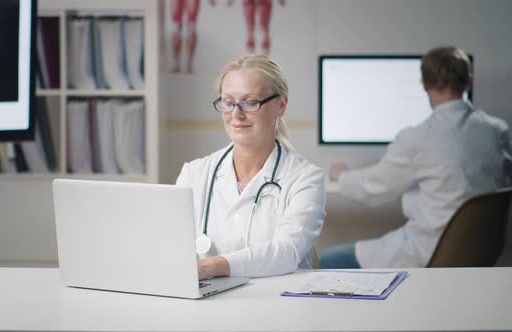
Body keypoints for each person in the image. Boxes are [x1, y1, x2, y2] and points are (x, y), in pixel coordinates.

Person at [320, 46, 512, 269]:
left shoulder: (418, 137)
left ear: (425, 84)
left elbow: (375, 187)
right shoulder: (498, 131)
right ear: (468, 82)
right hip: (481, 255)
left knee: (329, 259)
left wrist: (342, 175)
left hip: (429, 254)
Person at [176, 54, 326, 280]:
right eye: (228, 102)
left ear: (280, 105)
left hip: (281, 306)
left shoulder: (305, 179)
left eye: (250, 102)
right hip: (208, 309)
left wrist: (216, 266)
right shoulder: (194, 174)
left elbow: (287, 252)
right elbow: (172, 248)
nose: (236, 113)